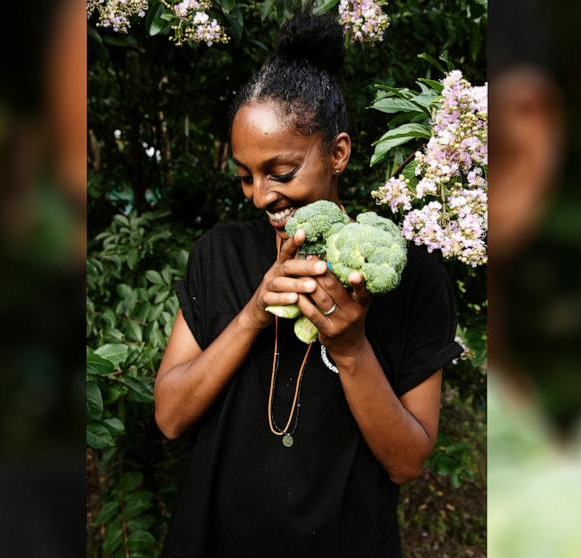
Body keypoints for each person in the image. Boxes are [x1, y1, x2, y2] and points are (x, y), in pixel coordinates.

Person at [154, 9, 461, 557]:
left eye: (281, 171)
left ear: (338, 153)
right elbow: (171, 417)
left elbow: (408, 461)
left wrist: (349, 347)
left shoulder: (415, 280)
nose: (260, 196)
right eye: (246, 176)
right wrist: (252, 313)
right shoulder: (221, 253)